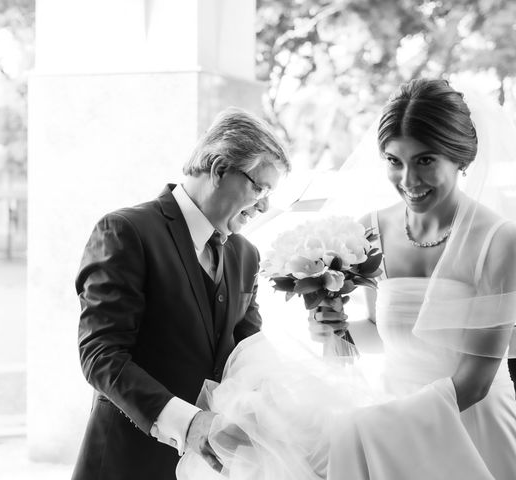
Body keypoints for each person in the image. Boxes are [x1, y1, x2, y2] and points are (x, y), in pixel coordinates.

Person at [176, 79, 516, 480]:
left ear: (460, 159)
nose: (408, 180)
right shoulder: (370, 229)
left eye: (425, 161)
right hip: (394, 409)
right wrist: (335, 331)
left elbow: (475, 382)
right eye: (394, 161)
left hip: (469, 423)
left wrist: (364, 429)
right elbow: (378, 332)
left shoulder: (500, 242)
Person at [71, 107, 291, 480]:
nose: (265, 204)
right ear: (220, 169)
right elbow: (101, 355)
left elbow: (248, 354)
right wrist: (189, 424)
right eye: (260, 187)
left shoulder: (245, 255)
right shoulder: (126, 231)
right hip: (126, 464)